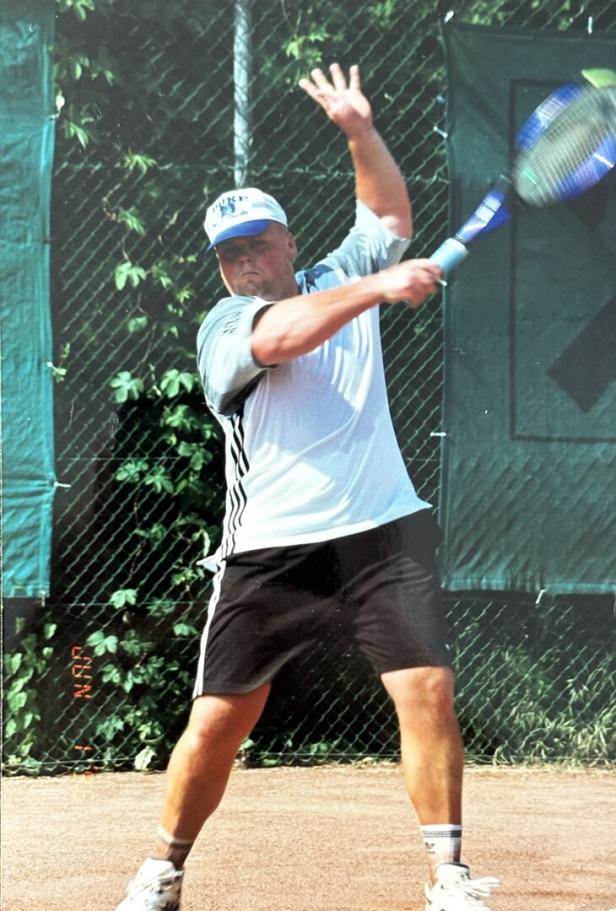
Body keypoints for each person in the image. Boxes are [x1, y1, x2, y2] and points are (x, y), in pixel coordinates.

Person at [114, 63, 499, 911]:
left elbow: (387, 219)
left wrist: (360, 131)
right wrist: (381, 285)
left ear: (288, 242)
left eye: (257, 244)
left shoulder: (338, 273)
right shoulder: (226, 324)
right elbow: (283, 338)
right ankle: (163, 870)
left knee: (428, 689)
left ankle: (449, 876)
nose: (246, 262)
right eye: (230, 255)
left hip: (382, 533)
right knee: (219, 719)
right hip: (269, 551)